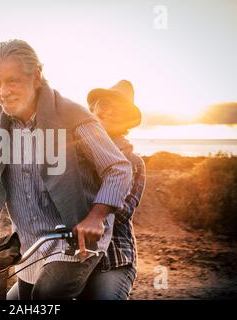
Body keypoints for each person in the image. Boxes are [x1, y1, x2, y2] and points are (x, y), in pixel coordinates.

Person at [0, 39, 133, 300]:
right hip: (30, 243)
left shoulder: (73, 116)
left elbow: (118, 168)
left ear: (36, 77)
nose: (3, 91)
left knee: (46, 295)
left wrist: (96, 216)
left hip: (73, 242)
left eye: (12, 81)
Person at [79, 80, 146, 299]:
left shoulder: (132, 162)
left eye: (118, 108)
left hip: (113, 259)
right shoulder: (74, 153)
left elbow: (121, 213)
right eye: (103, 103)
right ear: (93, 108)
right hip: (70, 256)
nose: (108, 110)